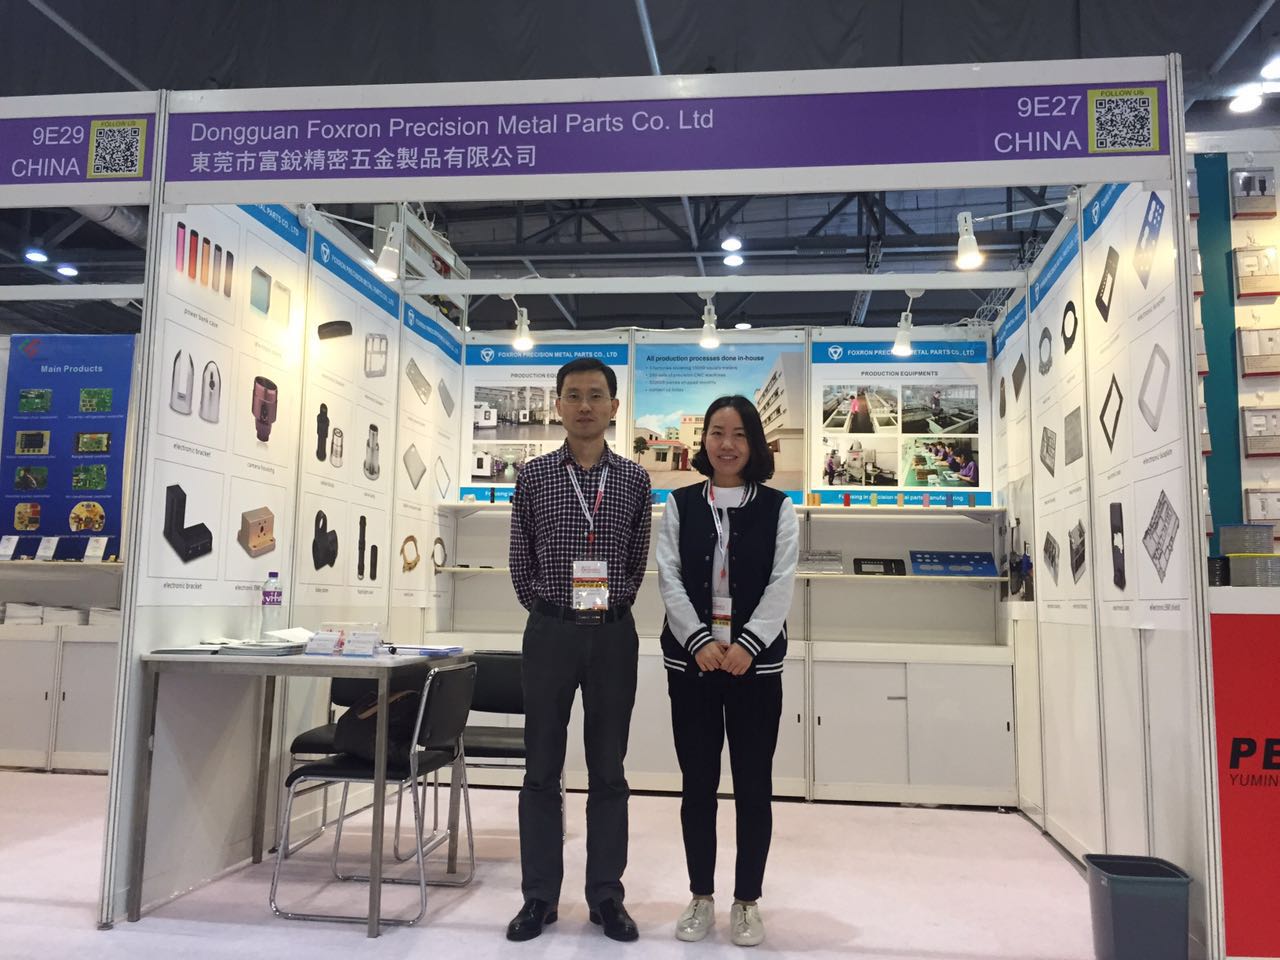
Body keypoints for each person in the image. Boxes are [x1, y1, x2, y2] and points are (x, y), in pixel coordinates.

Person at [507, 357, 652, 944]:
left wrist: (609, 606)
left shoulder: (635, 479)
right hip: (551, 632)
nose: (585, 405)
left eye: (596, 395)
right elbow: (520, 557)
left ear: (614, 407)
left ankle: (606, 896)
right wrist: (548, 609)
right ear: (558, 406)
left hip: (612, 634)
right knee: (541, 768)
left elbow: (637, 559)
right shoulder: (534, 476)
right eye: (574, 395)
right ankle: (539, 896)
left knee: (609, 770)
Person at [656, 395, 799, 948]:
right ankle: (700, 895)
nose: (727, 444)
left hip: (753, 669)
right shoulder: (681, 502)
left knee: (754, 786)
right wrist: (697, 640)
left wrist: (748, 645)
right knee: (697, 785)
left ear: (754, 443)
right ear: (704, 440)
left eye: (739, 434)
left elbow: (781, 582)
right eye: (717, 432)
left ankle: (746, 901)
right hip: (691, 664)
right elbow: (668, 575)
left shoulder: (778, 507)